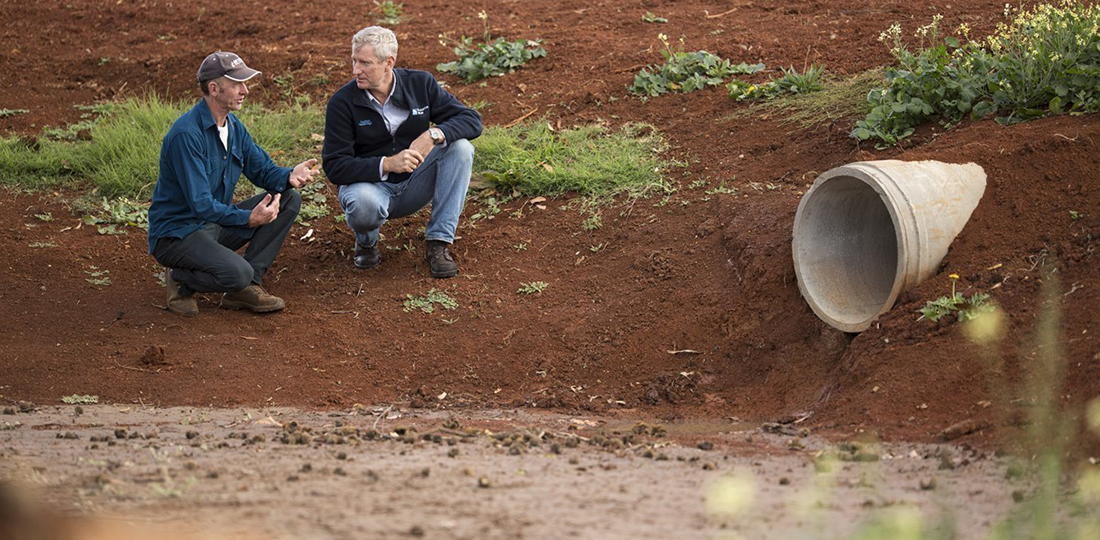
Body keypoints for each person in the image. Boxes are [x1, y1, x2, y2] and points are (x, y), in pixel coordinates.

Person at [148, 51, 319, 317]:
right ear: (214, 89)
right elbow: (201, 204)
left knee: (287, 198)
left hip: (212, 225)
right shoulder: (186, 135)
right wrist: (249, 218)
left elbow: (262, 170)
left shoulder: (233, 126)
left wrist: (289, 176)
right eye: (237, 84)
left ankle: (246, 287)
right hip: (179, 234)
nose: (246, 90)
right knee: (238, 271)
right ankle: (182, 277)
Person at [322, 26, 482, 278]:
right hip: (370, 188)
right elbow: (334, 166)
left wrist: (433, 134)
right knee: (364, 204)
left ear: (389, 63)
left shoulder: (420, 83)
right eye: (354, 60)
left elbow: (471, 120)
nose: (355, 70)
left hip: (415, 183)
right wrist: (387, 164)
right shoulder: (342, 102)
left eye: (364, 63)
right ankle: (366, 241)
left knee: (460, 147)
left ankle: (438, 243)